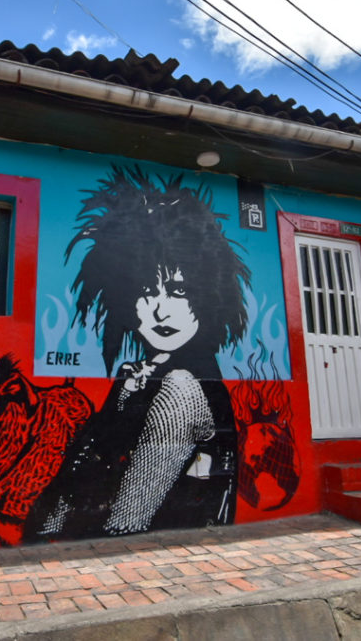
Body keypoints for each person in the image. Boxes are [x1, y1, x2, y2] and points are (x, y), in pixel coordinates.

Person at [27, 167, 250, 540]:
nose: (159, 310)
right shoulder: (141, 375)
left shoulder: (181, 389)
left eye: (178, 292)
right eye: (146, 291)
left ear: (208, 295)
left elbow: (127, 523)